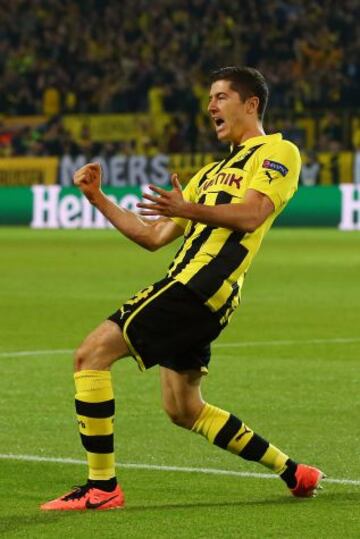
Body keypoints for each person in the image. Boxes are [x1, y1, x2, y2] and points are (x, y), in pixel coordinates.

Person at [41, 66, 324, 511]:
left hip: (199, 284)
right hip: (198, 292)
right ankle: (295, 472)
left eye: (221, 96)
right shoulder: (209, 173)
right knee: (184, 409)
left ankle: (102, 488)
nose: (211, 105)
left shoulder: (278, 151)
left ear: (251, 104)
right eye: (210, 98)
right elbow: (152, 237)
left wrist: (187, 207)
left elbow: (252, 215)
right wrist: (99, 198)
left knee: (90, 355)